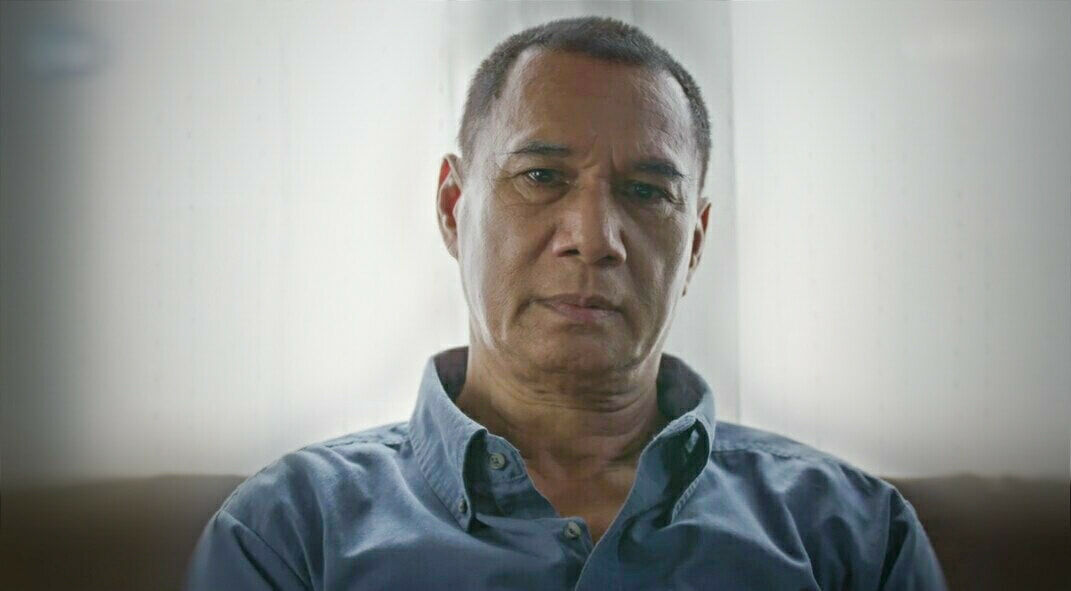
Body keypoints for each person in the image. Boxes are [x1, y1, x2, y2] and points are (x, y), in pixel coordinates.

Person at [185, 16, 946, 590]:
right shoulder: (288, 534)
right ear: (452, 207)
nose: (593, 238)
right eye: (541, 178)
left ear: (695, 243)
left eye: (646, 192)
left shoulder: (853, 539)